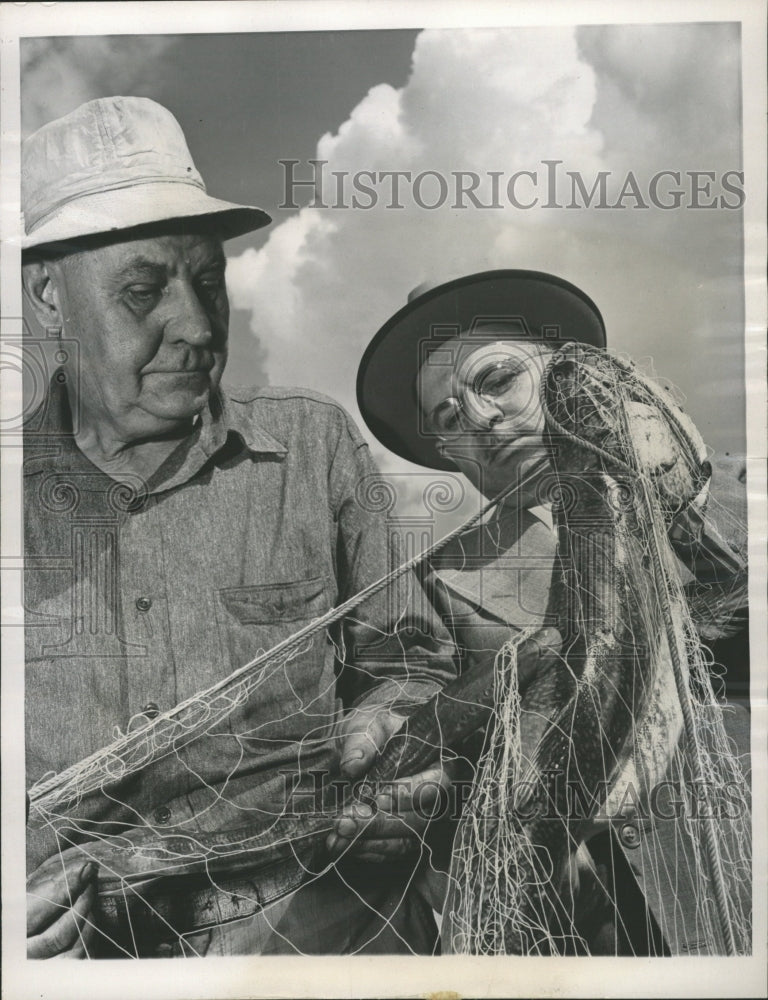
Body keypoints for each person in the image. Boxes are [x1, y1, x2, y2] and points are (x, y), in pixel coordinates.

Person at [21, 97, 457, 958]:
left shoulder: (312, 445)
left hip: (325, 924)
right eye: (143, 291)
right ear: (49, 298)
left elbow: (413, 664)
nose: (195, 325)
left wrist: (402, 753)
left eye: (209, 281)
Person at [355, 269, 751, 955]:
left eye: (498, 379)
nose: (480, 418)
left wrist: (688, 512)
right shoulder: (437, 579)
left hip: (740, 871)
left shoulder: (703, 485)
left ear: (561, 370)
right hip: (578, 920)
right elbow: (435, 747)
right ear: (446, 452)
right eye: (449, 418)